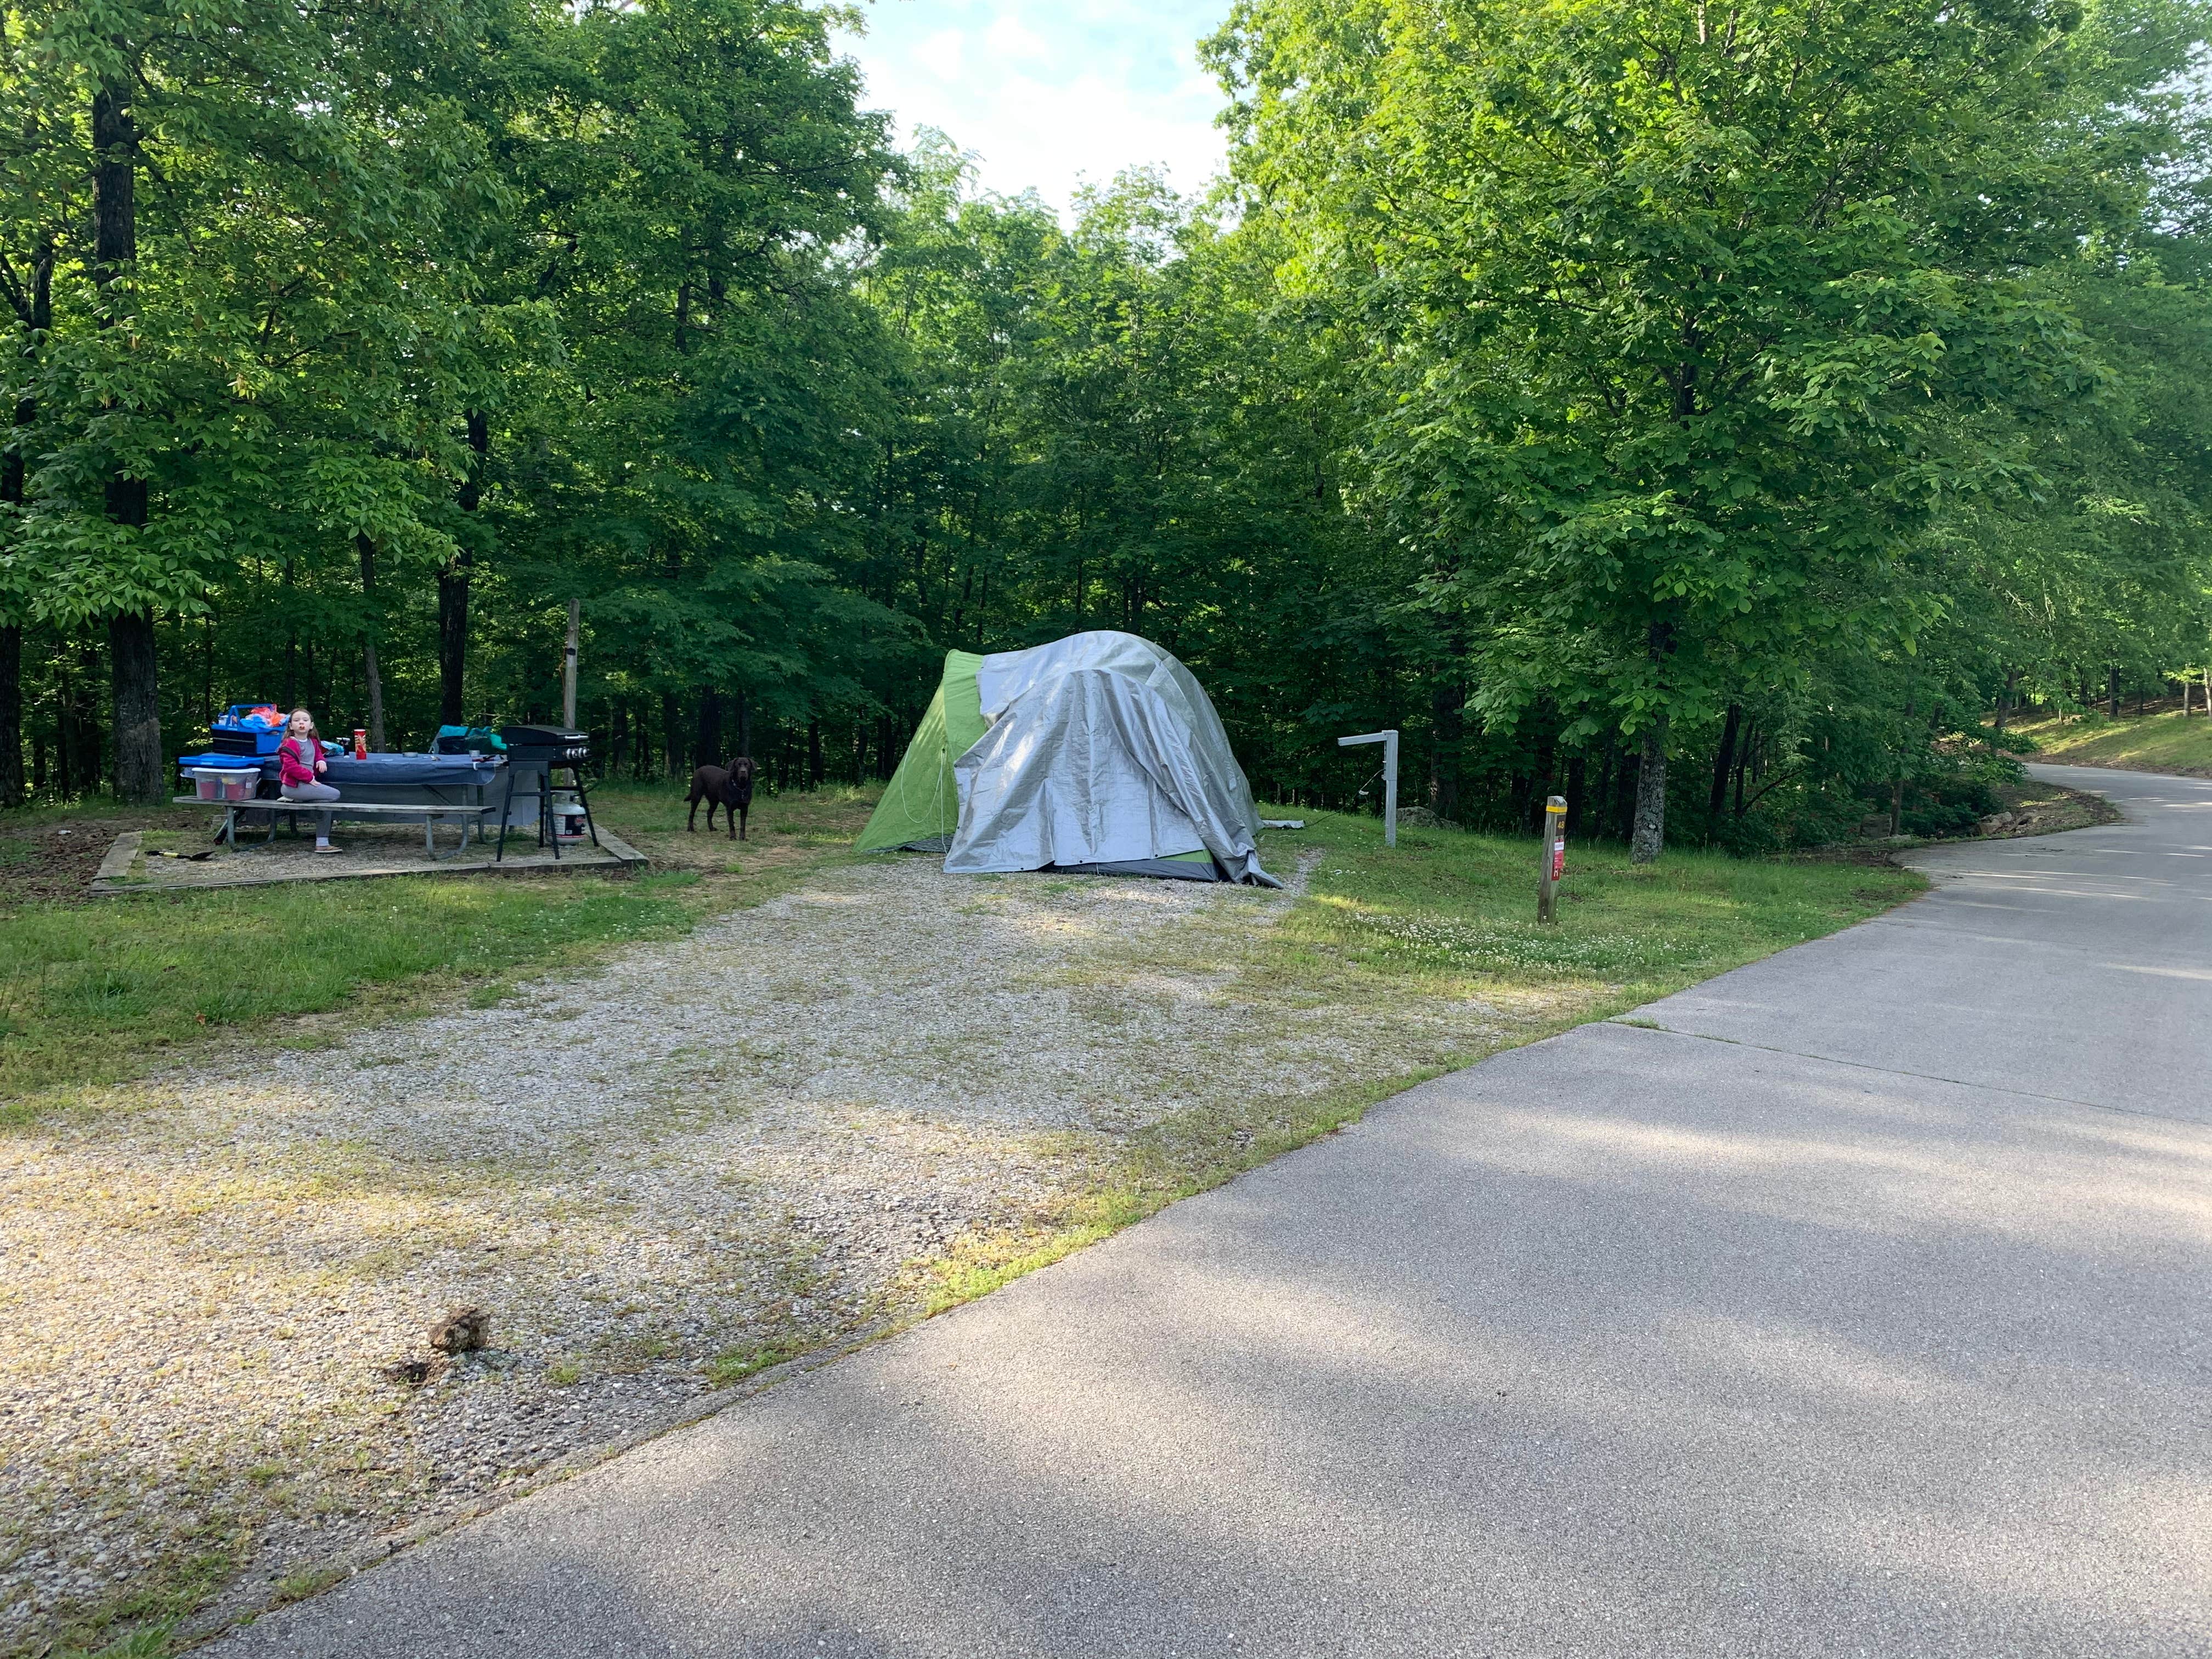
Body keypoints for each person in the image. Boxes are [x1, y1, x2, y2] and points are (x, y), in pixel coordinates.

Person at [277, 708, 342, 854]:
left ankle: (322, 843)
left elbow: (319, 754)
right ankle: (293, 798)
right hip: (293, 786)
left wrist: (321, 761)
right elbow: (290, 767)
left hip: (306, 787)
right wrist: (310, 778)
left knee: (324, 805)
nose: (301, 723)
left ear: (311, 725)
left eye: (305, 720)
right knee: (334, 795)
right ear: (291, 726)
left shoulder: (313, 742)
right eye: (297, 720)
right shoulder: (289, 743)